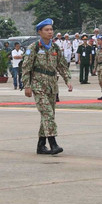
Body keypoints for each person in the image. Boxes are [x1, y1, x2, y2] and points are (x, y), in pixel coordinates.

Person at [21, 18, 73, 155]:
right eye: (47, 30)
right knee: (47, 114)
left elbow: (62, 65)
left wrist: (68, 80)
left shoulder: (55, 47)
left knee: (48, 115)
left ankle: (41, 145)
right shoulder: (34, 48)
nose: (50, 32)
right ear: (40, 32)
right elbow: (26, 67)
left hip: (51, 85)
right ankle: (53, 143)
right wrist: (27, 85)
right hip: (38, 84)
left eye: (51, 29)